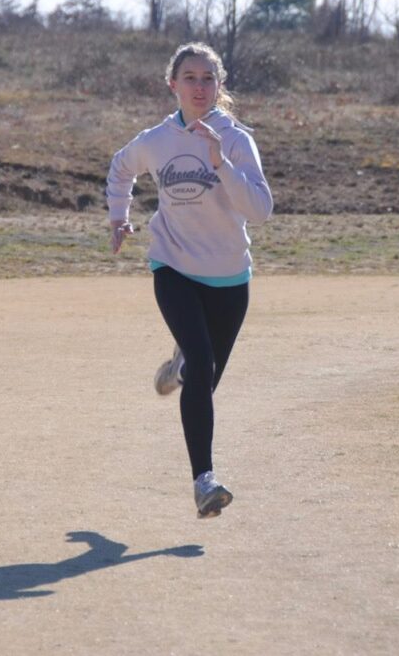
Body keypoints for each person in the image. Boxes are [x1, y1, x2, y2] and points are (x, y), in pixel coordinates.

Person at [106, 42, 274, 519]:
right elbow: (121, 170)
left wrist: (221, 163)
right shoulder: (156, 139)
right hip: (173, 266)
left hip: (229, 277)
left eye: (208, 78)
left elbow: (260, 212)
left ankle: (181, 368)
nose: (199, 87)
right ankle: (205, 482)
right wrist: (118, 217)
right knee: (203, 364)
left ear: (219, 86)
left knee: (205, 377)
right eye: (190, 77)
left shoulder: (236, 139)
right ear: (172, 84)